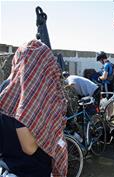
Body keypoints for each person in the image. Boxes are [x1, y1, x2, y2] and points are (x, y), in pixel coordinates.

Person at [0, 40, 67, 177]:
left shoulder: (5, 88)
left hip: (7, 165)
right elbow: (29, 148)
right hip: (32, 171)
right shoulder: (30, 95)